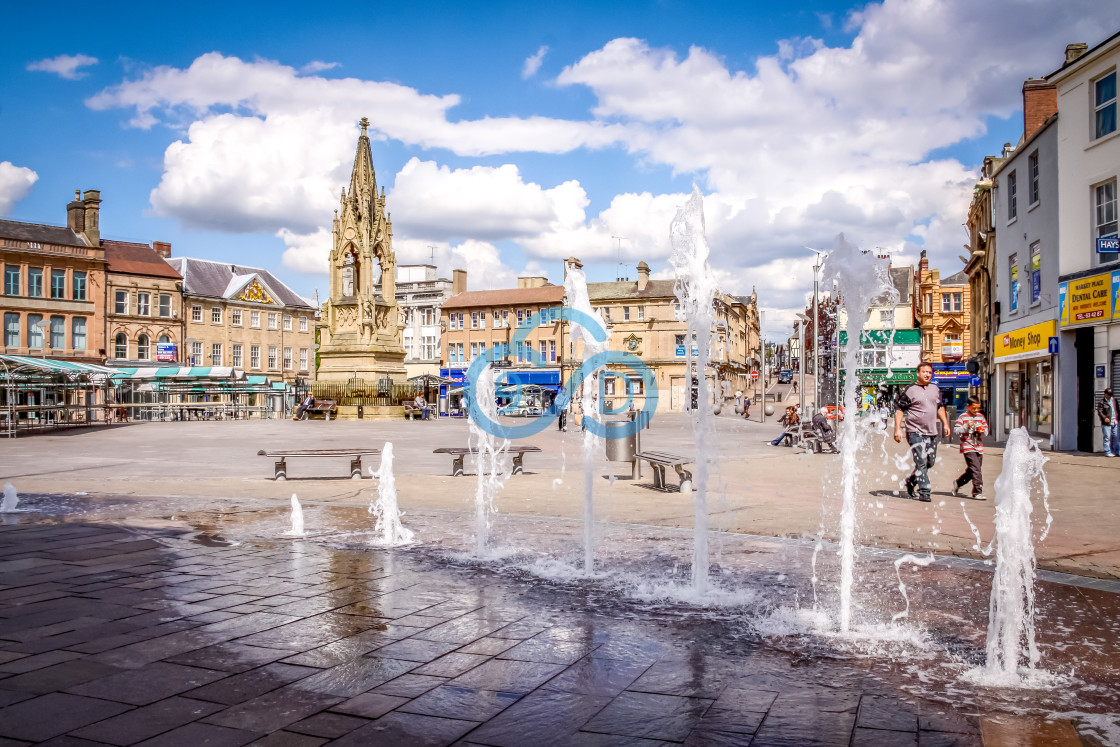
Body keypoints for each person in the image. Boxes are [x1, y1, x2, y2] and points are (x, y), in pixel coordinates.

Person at [893, 362, 951, 502]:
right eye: (924, 372)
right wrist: (897, 429)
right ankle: (925, 491)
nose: (927, 375)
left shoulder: (935, 389)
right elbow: (900, 409)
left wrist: (946, 424)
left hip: (931, 431)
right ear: (918, 373)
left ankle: (911, 481)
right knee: (921, 461)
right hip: (914, 431)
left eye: (930, 372)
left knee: (930, 462)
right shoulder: (910, 390)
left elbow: (940, 407)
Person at [952, 396, 988, 499]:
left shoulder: (981, 417)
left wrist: (982, 430)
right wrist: (966, 426)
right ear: (968, 406)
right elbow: (956, 431)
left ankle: (958, 483)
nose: (976, 411)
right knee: (976, 470)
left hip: (979, 447)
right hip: (967, 446)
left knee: (972, 471)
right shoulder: (963, 417)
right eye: (974, 408)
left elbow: (986, 432)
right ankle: (977, 492)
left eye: (978, 408)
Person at [1097, 388, 1120, 457]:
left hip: (1115, 422)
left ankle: (1117, 452)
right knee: (1107, 438)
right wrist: (1105, 418)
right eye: (1108, 394)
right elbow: (1100, 411)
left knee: (1116, 437)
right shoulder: (1102, 402)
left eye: (1111, 394)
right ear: (1105, 394)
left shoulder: (1114, 400)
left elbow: (1117, 410)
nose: (1110, 396)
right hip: (1107, 423)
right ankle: (1107, 452)